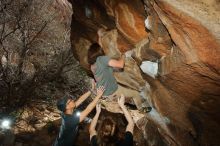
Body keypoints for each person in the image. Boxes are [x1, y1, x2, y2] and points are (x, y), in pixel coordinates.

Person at [88, 43, 151, 112]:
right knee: (135, 94)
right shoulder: (102, 59)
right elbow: (120, 65)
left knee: (125, 94)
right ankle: (141, 110)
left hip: (103, 93)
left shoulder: (92, 66)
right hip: (111, 91)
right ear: (99, 50)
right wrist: (124, 55)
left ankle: (130, 106)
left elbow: (104, 72)